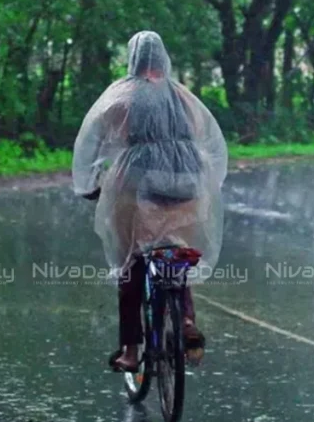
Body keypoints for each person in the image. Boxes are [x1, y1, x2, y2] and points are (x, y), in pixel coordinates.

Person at [71, 31, 228, 372]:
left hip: (139, 189)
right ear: (164, 60)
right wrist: (208, 183)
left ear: (134, 60)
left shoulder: (121, 97)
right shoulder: (185, 98)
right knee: (173, 259)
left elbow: (91, 142)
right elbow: (211, 140)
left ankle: (131, 350)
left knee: (133, 265)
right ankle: (186, 321)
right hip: (188, 186)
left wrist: (88, 184)